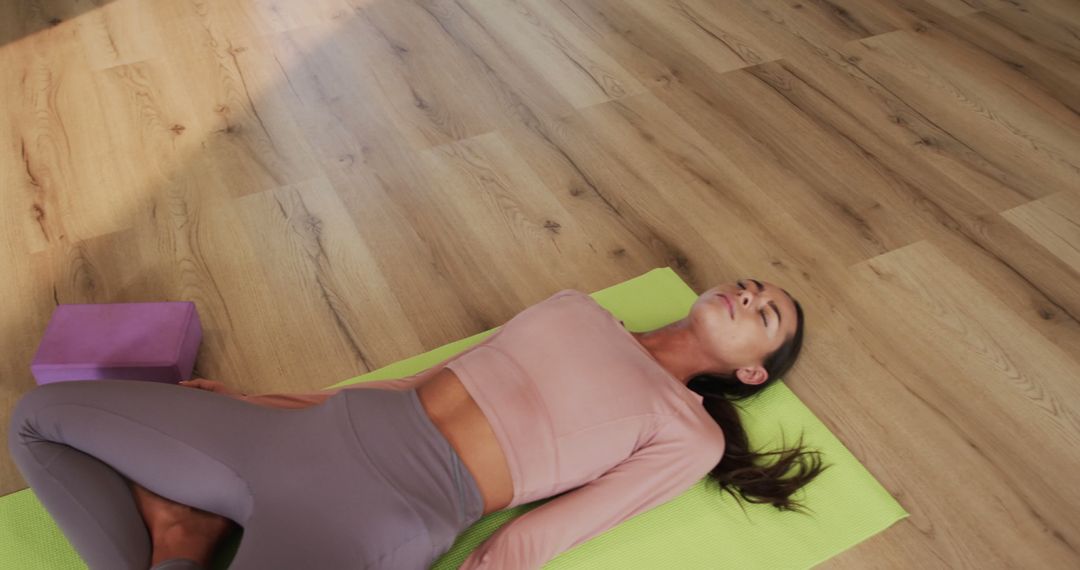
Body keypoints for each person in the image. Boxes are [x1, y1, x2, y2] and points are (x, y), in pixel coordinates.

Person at [8, 279, 824, 569]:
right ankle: (187, 524)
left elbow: (543, 535)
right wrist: (256, 405)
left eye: (767, 315)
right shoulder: (578, 307)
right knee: (39, 418)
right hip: (301, 440)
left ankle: (184, 543)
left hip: (384, 514)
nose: (749, 296)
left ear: (751, 371)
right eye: (751, 286)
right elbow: (423, 379)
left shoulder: (690, 434)